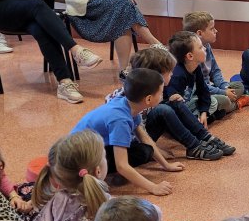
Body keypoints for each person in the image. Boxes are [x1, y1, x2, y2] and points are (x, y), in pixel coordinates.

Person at [71, 68, 185, 196]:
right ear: (148, 99)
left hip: (89, 146)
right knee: (137, 154)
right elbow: (122, 166)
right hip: (78, 158)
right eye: (161, 92)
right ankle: (92, 175)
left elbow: (145, 138)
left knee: (145, 150)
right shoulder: (120, 120)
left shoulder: (129, 105)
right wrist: (153, 187)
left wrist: (166, 165)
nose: (163, 95)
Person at [108, 47, 230, 162]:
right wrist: (157, 152)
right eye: (169, 72)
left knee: (174, 103)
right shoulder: (131, 99)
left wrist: (169, 101)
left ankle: (205, 137)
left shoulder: (146, 90)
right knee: (164, 110)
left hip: (142, 133)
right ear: (156, 76)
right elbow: (139, 135)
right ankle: (194, 146)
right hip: (129, 146)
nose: (172, 74)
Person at [165, 31, 236, 156]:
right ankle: (204, 136)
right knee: (179, 106)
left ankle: (202, 123)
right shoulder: (177, 75)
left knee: (212, 103)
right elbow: (172, 106)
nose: (204, 48)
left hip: (189, 104)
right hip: (174, 113)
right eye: (200, 47)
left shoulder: (196, 67)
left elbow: (204, 91)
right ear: (190, 56)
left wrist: (203, 112)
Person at [182, 11, 249, 116]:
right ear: (199, 33)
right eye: (212, 29)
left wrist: (225, 87)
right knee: (223, 100)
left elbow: (215, 71)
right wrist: (223, 93)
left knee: (239, 86)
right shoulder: (191, 55)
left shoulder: (207, 45)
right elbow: (200, 86)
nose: (216, 31)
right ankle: (234, 105)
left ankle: (221, 109)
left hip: (210, 88)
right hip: (197, 94)